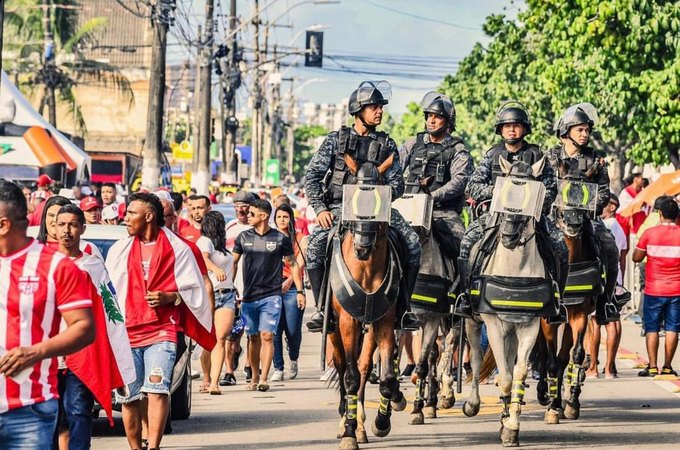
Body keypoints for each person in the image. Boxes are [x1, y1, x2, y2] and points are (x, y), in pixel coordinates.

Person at [304, 81, 421, 332]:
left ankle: (404, 309)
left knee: (412, 242)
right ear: (358, 110)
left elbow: (398, 184)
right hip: (339, 208)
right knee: (314, 246)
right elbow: (312, 176)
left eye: (380, 107)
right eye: (373, 107)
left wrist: (377, 194)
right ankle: (322, 309)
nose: (379, 111)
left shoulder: (387, 144)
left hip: (379, 211)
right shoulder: (335, 141)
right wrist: (320, 208)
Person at [106, 193, 215, 450]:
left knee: (157, 390)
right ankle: (136, 447)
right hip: (127, 333)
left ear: (149, 216)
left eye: (132, 213)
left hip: (162, 332)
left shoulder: (179, 249)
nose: (126, 217)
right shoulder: (118, 250)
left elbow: (194, 290)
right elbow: (108, 293)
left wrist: (171, 297)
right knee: (130, 397)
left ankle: (153, 446)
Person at [0, 180, 94, 449]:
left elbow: (84, 327)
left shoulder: (56, 266)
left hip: (29, 407)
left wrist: (35, 352)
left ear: (3, 224)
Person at [459, 101, 568, 319]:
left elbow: (550, 190)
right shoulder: (492, 155)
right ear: (500, 129)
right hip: (496, 216)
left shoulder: (538, 156)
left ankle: (558, 300)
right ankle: (465, 296)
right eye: (507, 125)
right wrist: (502, 191)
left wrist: (532, 203)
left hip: (530, 219)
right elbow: (473, 186)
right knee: (466, 243)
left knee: (560, 247)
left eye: (516, 125)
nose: (511, 129)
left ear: (525, 129)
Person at [53, 204, 135, 450]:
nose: (67, 231)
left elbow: (112, 315)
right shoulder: (43, 265)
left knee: (79, 410)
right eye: (62, 225)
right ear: (54, 229)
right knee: (51, 416)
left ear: (82, 228)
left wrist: (120, 362)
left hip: (82, 354)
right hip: (46, 355)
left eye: (73, 225)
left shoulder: (94, 266)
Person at [546, 103, 620, 324]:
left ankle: (607, 302)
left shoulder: (595, 159)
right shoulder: (549, 157)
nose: (585, 134)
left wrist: (590, 208)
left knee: (608, 245)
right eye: (580, 129)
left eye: (587, 130)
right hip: (552, 218)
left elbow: (604, 191)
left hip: (584, 219)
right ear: (566, 132)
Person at [232, 199, 304, 391]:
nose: (248, 216)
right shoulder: (243, 237)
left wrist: (300, 291)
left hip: (271, 296)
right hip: (248, 297)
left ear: (263, 216)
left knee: (267, 336)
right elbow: (232, 262)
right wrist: (229, 287)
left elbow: (293, 264)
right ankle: (254, 375)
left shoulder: (280, 239)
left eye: (252, 214)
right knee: (253, 338)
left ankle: (264, 378)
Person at [633, 197, 680, 377]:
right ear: (676, 215)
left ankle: (652, 366)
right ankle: (667, 366)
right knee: (672, 328)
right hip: (677, 290)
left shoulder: (650, 233)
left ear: (660, 214)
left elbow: (636, 257)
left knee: (652, 328)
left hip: (654, 290)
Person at [587, 194, 627, 378]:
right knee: (613, 321)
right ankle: (610, 368)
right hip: (615, 278)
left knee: (596, 323)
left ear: (612, 207)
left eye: (605, 205)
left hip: (602, 278)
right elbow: (623, 259)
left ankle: (594, 367)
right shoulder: (618, 228)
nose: (601, 207)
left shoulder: (604, 226)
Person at [197, 211, 236, 393]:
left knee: (221, 338)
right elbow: (202, 259)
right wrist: (215, 268)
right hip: (210, 294)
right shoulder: (204, 241)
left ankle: (215, 382)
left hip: (227, 293)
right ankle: (206, 378)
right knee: (209, 340)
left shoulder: (222, 247)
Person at [271, 204, 308, 381]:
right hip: (272, 288)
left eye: (285, 217)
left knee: (293, 331)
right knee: (275, 330)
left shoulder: (300, 239)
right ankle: (278, 367)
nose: (282, 220)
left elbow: (299, 264)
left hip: (292, 287)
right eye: (278, 217)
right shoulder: (270, 238)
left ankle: (293, 358)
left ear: (291, 219)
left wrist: (289, 282)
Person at [37, 195, 104, 261]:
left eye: (59, 215)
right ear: (44, 218)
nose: (55, 220)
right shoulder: (34, 248)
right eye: (51, 215)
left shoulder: (87, 247)